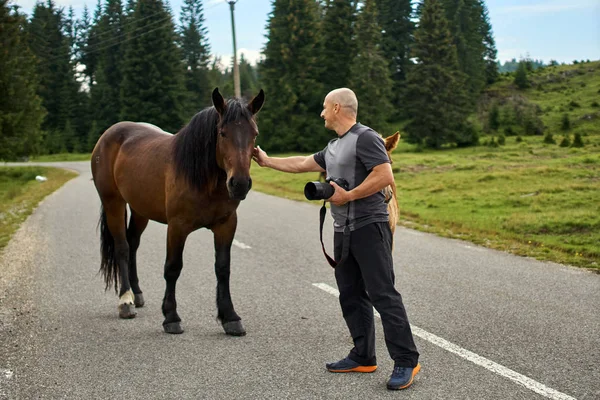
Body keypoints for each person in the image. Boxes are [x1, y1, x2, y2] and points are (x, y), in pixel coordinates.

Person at [252, 88, 420, 390]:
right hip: (343, 230)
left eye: (325, 108)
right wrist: (266, 160)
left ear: (338, 108)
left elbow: (385, 175)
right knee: (351, 294)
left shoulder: (365, 138)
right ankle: (363, 356)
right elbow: (303, 163)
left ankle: (406, 360)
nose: (321, 113)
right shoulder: (333, 147)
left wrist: (349, 195)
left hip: (370, 226)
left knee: (383, 294)